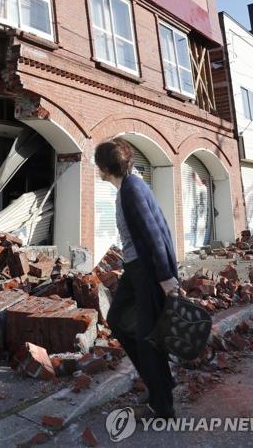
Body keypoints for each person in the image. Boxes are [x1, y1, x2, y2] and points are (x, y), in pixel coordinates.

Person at [94, 136, 179, 419]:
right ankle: (161, 382)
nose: (97, 169)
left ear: (105, 167)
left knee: (147, 337)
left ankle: (161, 404)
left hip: (147, 271)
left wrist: (166, 276)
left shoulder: (131, 189)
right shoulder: (131, 187)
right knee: (117, 320)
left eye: (98, 164)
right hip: (135, 269)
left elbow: (154, 233)